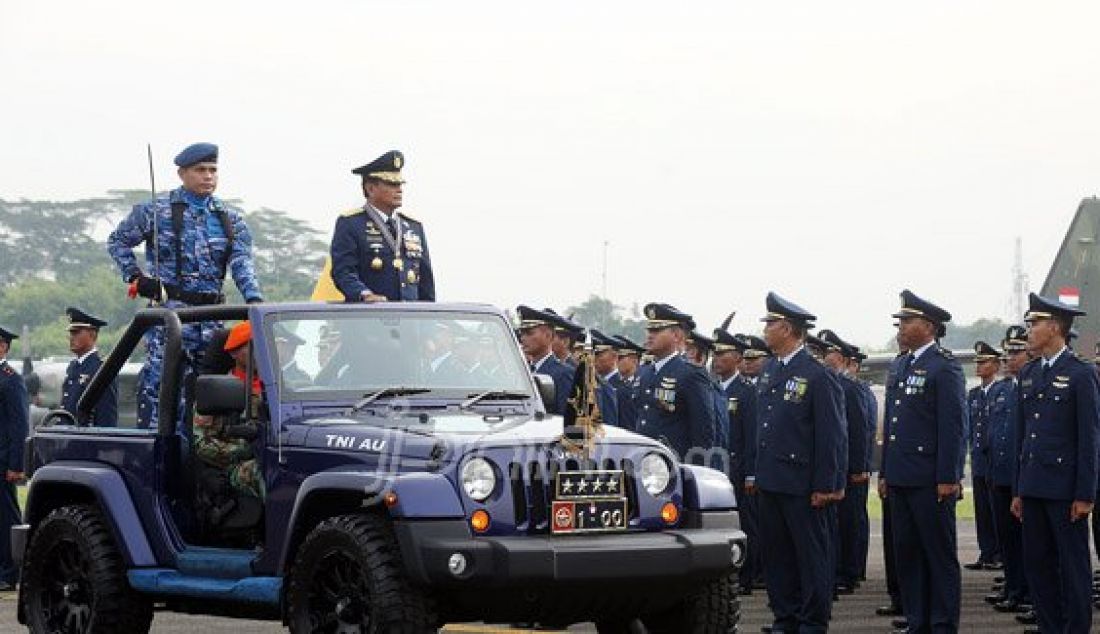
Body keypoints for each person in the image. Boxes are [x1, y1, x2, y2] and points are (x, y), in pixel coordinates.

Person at [107, 142, 263, 429]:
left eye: (213, 170)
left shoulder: (230, 219)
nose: (208, 176)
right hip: (172, 316)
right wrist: (136, 278)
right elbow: (118, 241)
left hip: (212, 319)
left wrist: (254, 298)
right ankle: (160, 457)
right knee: (162, 392)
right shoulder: (156, 211)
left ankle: (204, 458)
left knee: (213, 395)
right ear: (182, 173)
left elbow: (242, 262)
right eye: (200, 170)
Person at [754, 292, 844, 633]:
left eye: (770, 325)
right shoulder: (770, 371)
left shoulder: (817, 375)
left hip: (803, 484)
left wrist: (827, 485)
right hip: (772, 479)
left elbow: (831, 435)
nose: (765, 330)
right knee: (778, 557)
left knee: (811, 558)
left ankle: (812, 621)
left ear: (788, 329)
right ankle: (786, 617)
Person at [1011, 293, 1098, 634]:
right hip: (1033, 487)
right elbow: (1023, 438)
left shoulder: (1080, 374)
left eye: (1035, 324)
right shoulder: (1030, 374)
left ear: (1055, 327)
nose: (1029, 330)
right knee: (1039, 566)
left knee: (1073, 568)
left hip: (1065, 491)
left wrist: (1085, 494)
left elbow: (1089, 439)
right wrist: (1018, 489)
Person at [880, 290, 965, 634]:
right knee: (909, 555)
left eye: (907, 321)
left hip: (930, 479)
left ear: (929, 326)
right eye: (900, 321)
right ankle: (918, 620)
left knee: (938, 555)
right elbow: (893, 427)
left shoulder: (944, 367)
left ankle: (943, 624)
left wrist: (949, 476)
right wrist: (885, 472)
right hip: (901, 478)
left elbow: (953, 427)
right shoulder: (901, 364)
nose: (900, 327)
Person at [330, 150, 434, 302]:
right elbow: (343, 271)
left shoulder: (413, 227)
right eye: (392, 184)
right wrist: (364, 294)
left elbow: (426, 283)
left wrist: (429, 319)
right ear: (370, 188)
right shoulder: (351, 223)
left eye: (400, 184)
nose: (399, 190)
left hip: (410, 319)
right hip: (369, 318)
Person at [818, 329, 872, 596]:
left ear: (842, 357)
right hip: (835, 466)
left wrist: (860, 466)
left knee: (849, 521)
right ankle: (838, 570)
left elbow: (860, 429)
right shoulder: (828, 382)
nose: (826, 357)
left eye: (830, 352)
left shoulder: (850, 387)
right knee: (835, 524)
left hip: (850, 467)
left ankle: (849, 572)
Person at [634, 303, 718, 463]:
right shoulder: (644, 373)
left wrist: (696, 471)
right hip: (644, 463)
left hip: (674, 465)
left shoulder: (690, 374)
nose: (650, 335)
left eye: (657, 330)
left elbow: (703, 432)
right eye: (649, 330)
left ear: (677, 336)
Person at [712, 329, 761, 595]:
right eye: (715, 354)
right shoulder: (713, 388)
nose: (716, 359)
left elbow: (753, 436)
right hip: (719, 467)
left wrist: (752, 474)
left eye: (722, 354)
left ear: (738, 358)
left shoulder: (746, 392)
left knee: (745, 523)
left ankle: (747, 576)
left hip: (740, 468)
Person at [192, 322, 264, 501]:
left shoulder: (278, 387)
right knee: (267, 474)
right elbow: (203, 445)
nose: (261, 352)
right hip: (238, 465)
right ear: (233, 352)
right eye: (253, 345)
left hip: (278, 455)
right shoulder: (216, 390)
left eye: (264, 345)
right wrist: (245, 449)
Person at [986, 326, 1031, 614]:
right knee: (1008, 540)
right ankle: (1014, 588)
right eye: (1008, 353)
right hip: (1000, 474)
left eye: (1016, 352)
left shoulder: (1031, 385)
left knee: (1027, 542)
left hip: (1022, 477)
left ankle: (1026, 592)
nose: (1010, 358)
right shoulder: (1004, 389)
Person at [964, 341, 1005, 571]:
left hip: (994, 461)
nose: (979, 366)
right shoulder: (974, 394)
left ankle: (998, 552)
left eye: (984, 362)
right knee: (981, 509)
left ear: (996, 365)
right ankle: (986, 551)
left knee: (994, 509)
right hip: (979, 459)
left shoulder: (1002, 391)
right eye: (977, 362)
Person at [0, 326, 27, 591]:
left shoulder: (10, 379)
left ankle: (10, 572)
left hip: (2, 459)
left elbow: (19, 425)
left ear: (3, 347)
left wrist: (16, 465)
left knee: (6, 515)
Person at [60, 307, 117, 426]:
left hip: (86, 440)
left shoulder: (101, 370)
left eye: (76, 332)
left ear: (92, 335)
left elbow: (105, 418)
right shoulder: (74, 367)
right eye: (71, 333)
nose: (71, 337)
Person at [517, 306, 574, 415]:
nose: (523, 338)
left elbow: (565, 418)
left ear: (548, 336)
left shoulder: (564, 374)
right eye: (522, 333)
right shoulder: (523, 372)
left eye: (529, 333)